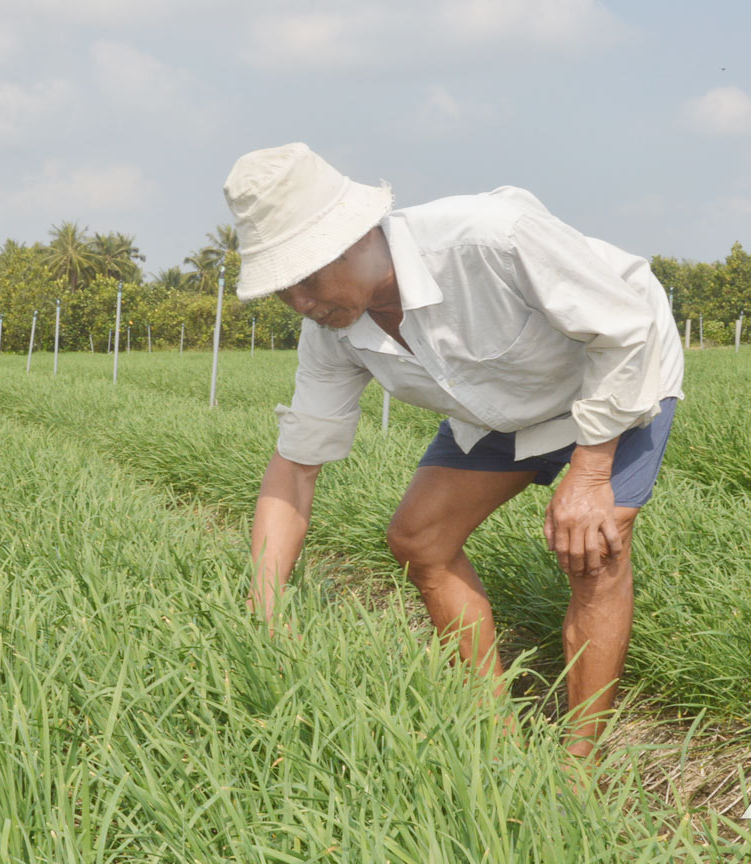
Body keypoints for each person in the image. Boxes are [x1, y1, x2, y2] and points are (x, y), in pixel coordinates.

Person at [224, 143, 684, 757]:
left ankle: (578, 765)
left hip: (612, 378)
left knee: (593, 551)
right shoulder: (331, 331)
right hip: (497, 408)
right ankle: (494, 738)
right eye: (284, 290)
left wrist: (590, 473)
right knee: (419, 540)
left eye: (306, 277)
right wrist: (265, 608)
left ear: (358, 235)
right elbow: (297, 462)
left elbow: (624, 330)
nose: (302, 303)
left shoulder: (489, 240)